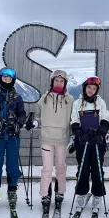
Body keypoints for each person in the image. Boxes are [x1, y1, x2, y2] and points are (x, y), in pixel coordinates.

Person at [26, 69, 74, 210]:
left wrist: (73, 136)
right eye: (56, 80)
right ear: (52, 81)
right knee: (47, 168)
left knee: (60, 167)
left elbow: (73, 119)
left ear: (65, 83)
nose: (58, 83)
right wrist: (34, 123)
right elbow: (39, 116)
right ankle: (45, 194)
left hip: (62, 139)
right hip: (46, 138)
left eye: (61, 81)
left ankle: (60, 192)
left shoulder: (69, 100)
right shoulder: (44, 98)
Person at [0, 67, 26, 211]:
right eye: (4, 77)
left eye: (10, 78)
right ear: (0, 78)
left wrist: (19, 124)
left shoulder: (17, 97)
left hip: (13, 136)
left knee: (13, 164)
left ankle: (12, 189)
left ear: (13, 80)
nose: (7, 80)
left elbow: (22, 114)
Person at [70, 76, 109, 212]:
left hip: (97, 141)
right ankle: (81, 193)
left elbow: (105, 119)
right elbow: (74, 120)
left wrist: (100, 134)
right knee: (83, 169)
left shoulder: (101, 102)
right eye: (89, 88)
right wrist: (80, 135)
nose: (91, 90)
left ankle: (97, 194)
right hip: (83, 141)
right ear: (84, 88)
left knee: (97, 169)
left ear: (97, 90)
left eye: (94, 88)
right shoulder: (77, 103)